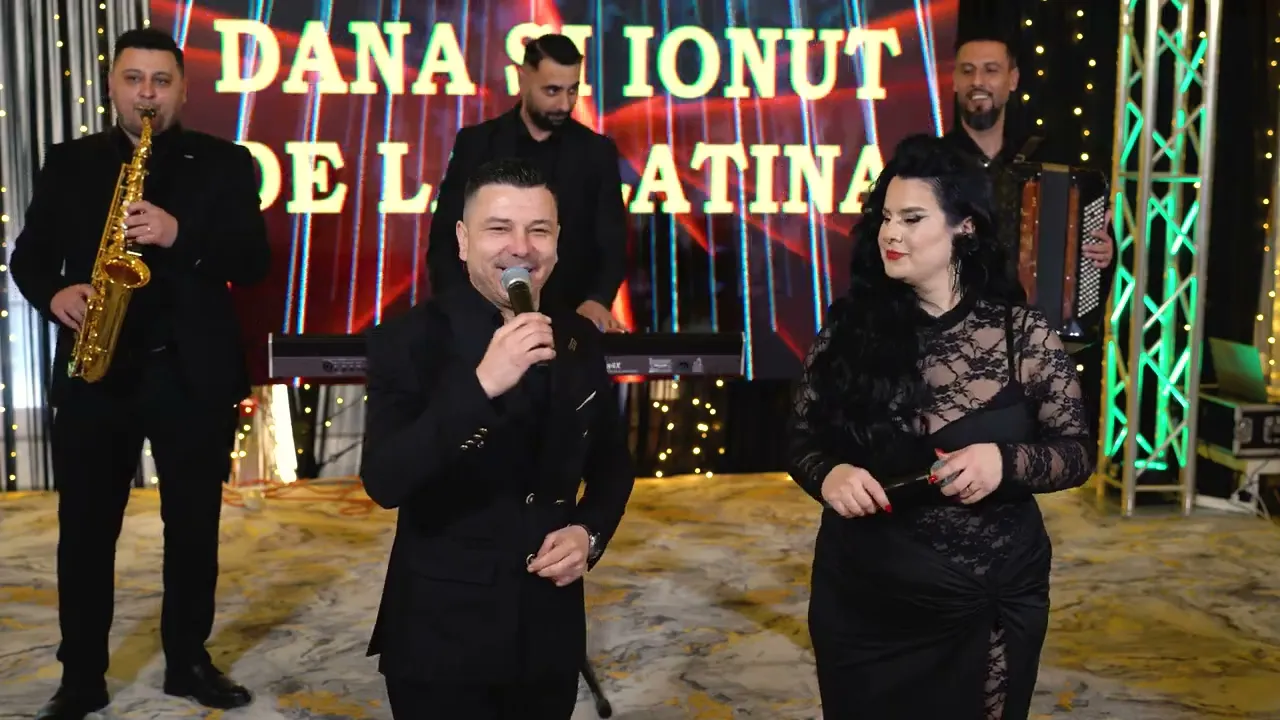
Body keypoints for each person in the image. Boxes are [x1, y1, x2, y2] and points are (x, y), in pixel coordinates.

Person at [787, 134, 1093, 720]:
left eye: (912, 218)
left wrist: (1004, 462)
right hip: (866, 600)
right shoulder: (847, 334)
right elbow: (801, 441)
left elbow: (1076, 452)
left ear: (964, 227)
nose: (891, 234)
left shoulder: (1021, 335)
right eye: (885, 218)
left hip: (987, 596)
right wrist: (830, 475)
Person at [10, 28, 269, 720]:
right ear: (112, 86)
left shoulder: (226, 162)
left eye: (161, 80)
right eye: (134, 79)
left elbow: (252, 260)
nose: (147, 94)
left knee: (194, 529)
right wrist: (55, 295)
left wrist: (180, 234)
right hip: (98, 373)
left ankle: (187, 661)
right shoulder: (70, 163)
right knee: (85, 531)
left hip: (191, 375)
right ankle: (82, 676)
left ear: (182, 89)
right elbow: (29, 258)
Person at [360, 157, 636, 719]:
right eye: (499, 228)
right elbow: (385, 480)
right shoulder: (406, 341)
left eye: (539, 230)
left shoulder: (579, 338)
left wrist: (589, 533)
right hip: (441, 638)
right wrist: (483, 384)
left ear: (557, 241)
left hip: (549, 634)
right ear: (463, 241)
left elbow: (612, 462)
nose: (522, 248)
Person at [947, 32, 1115, 453]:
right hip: (948, 347)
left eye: (991, 70)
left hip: (1026, 353)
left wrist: (1100, 253)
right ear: (954, 81)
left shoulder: (1045, 159)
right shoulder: (930, 163)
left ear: (1013, 79)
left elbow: (1081, 252)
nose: (978, 81)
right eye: (968, 71)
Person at [427, 33, 628, 332]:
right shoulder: (476, 144)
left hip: (571, 323)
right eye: (552, 90)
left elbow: (612, 241)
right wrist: (462, 312)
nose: (565, 104)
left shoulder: (597, 152)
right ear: (522, 79)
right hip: (482, 324)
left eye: (572, 90)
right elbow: (446, 239)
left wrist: (597, 300)